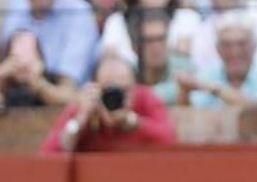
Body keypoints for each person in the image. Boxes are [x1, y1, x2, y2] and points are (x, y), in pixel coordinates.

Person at [39, 53, 177, 153]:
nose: (118, 98)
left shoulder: (145, 97)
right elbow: (48, 156)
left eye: (125, 90)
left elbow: (170, 140)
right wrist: (80, 121)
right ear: (97, 89)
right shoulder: (87, 104)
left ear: (134, 86)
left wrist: (134, 122)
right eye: (110, 91)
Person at [0, 0, 99, 85]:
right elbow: (5, 69)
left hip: (66, 98)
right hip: (21, 92)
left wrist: (35, 81)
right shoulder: (17, 9)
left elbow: (68, 91)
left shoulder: (78, 12)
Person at [0, 30, 78, 107]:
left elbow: (70, 101)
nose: (23, 64)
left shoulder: (54, 79)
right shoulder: (3, 83)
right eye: (17, 56)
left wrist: (37, 83)